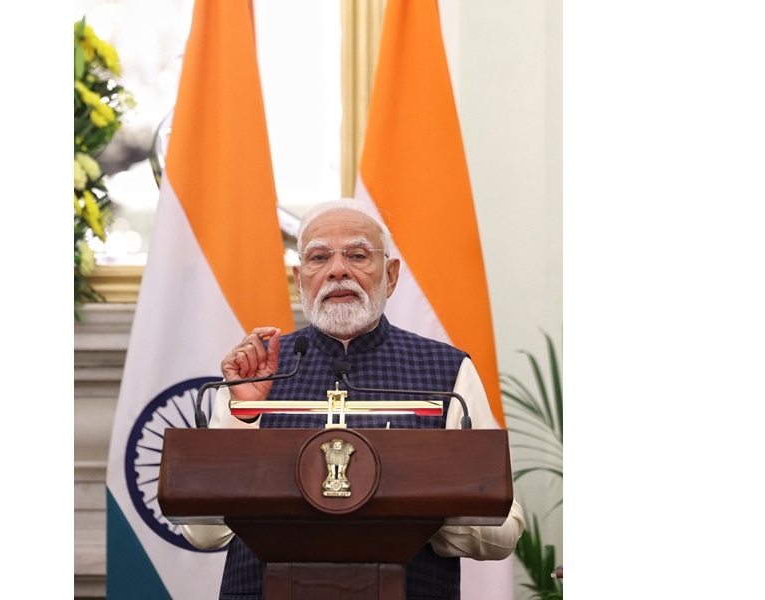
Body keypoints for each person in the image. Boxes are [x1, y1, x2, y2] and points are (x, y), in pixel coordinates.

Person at [181, 198, 525, 600]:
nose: (337, 270)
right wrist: (245, 415)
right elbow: (203, 532)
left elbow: (503, 532)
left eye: (358, 255)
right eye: (318, 257)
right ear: (299, 279)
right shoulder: (256, 372)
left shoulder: (447, 372)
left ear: (391, 276)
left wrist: (421, 499)